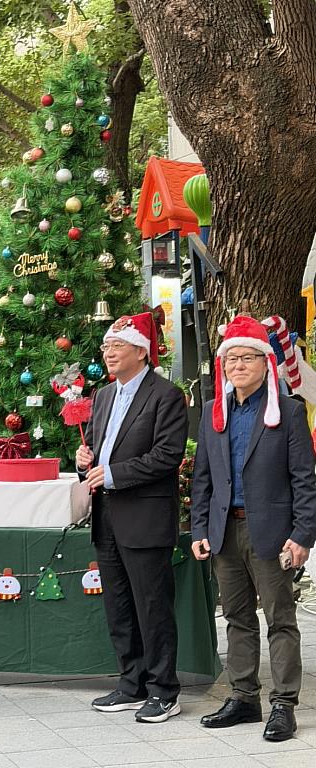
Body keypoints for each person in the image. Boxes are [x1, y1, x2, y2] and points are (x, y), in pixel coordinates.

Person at [191, 315, 316, 742]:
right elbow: (202, 479)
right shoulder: (213, 412)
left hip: (273, 533)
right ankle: (244, 697)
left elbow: (304, 479)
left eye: (247, 358)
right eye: (232, 359)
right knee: (238, 618)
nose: (238, 366)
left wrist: (302, 536)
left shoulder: (289, 411)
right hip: (225, 531)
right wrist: (198, 531)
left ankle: (284, 704)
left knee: (280, 619)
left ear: (265, 363)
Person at [76, 312, 188, 723]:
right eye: (106, 347)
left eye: (116, 346)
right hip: (106, 516)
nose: (107, 353)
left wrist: (115, 473)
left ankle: (164, 690)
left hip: (145, 516)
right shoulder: (104, 396)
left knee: (152, 605)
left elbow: (166, 456)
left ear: (141, 351)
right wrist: (84, 461)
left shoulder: (166, 395)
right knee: (119, 606)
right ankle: (131, 682)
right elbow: (100, 453)